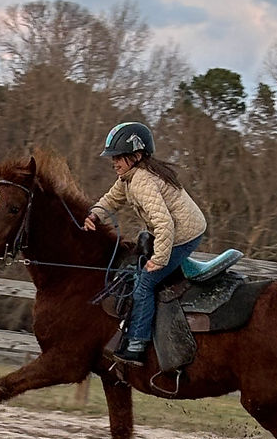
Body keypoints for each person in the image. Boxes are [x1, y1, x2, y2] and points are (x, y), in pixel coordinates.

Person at [83, 122, 207, 364]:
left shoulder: (142, 182)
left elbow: (165, 225)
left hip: (184, 235)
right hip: (169, 232)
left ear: (137, 156)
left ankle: (137, 345)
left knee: (144, 284)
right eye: (113, 157)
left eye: (119, 157)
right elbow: (111, 199)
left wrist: (158, 259)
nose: (114, 162)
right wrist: (95, 214)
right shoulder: (128, 177)